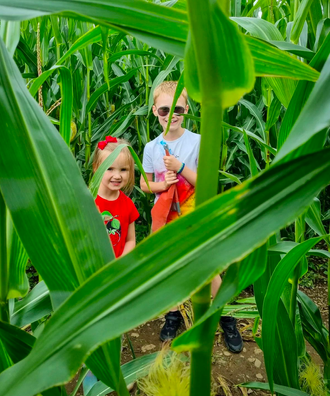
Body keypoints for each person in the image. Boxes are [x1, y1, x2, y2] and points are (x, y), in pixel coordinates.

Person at [139, 81, 243, 353]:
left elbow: (207, 180)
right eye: (164, 109)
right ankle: (173, 315)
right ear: (154, 111)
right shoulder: (151, 148)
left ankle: (226, 315)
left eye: (178, 109)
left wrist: (180, 167)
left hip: (195, 213)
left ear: (186, 110)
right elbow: (144, 184)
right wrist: (163, 184)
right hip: (166, 217)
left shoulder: (197, 142)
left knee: (207, 266)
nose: (170, 115)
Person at [93, 136, 139, 258]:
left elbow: (130, 240)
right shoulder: (87, 201)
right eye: (110, 169)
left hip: (117, 271)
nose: (117, 176)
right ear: (96, 168)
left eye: (123, 169)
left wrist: (120, 264)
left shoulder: (128, 204)